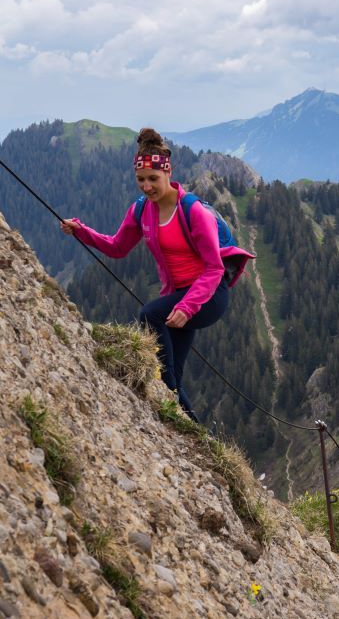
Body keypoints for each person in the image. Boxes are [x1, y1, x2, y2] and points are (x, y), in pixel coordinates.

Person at [61, 127, 254, 422]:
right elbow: (117, 247)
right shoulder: (142, 210)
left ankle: (171, 401)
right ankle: (192, 430)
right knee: (171, 374)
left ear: (168, 174)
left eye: (153, 179)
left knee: (150, 315)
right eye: (141, 179)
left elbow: (215, 268)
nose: (147, 186)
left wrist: (187, 307)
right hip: (179, 297)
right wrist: (81, 231)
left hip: (210, 296)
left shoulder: (193, 212)